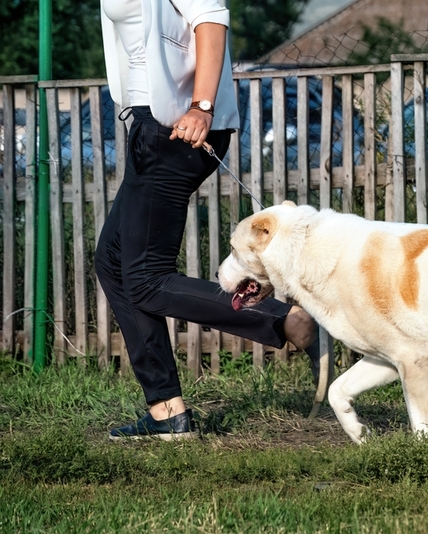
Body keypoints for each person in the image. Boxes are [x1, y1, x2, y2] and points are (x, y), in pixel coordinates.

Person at [96, 0, 320, 440]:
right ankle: (167, 412)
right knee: (114, 260)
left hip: (175, 124)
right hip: (150, 122)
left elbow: (211, 20)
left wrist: (201, 106)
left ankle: (286, 321)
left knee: (143, 278)